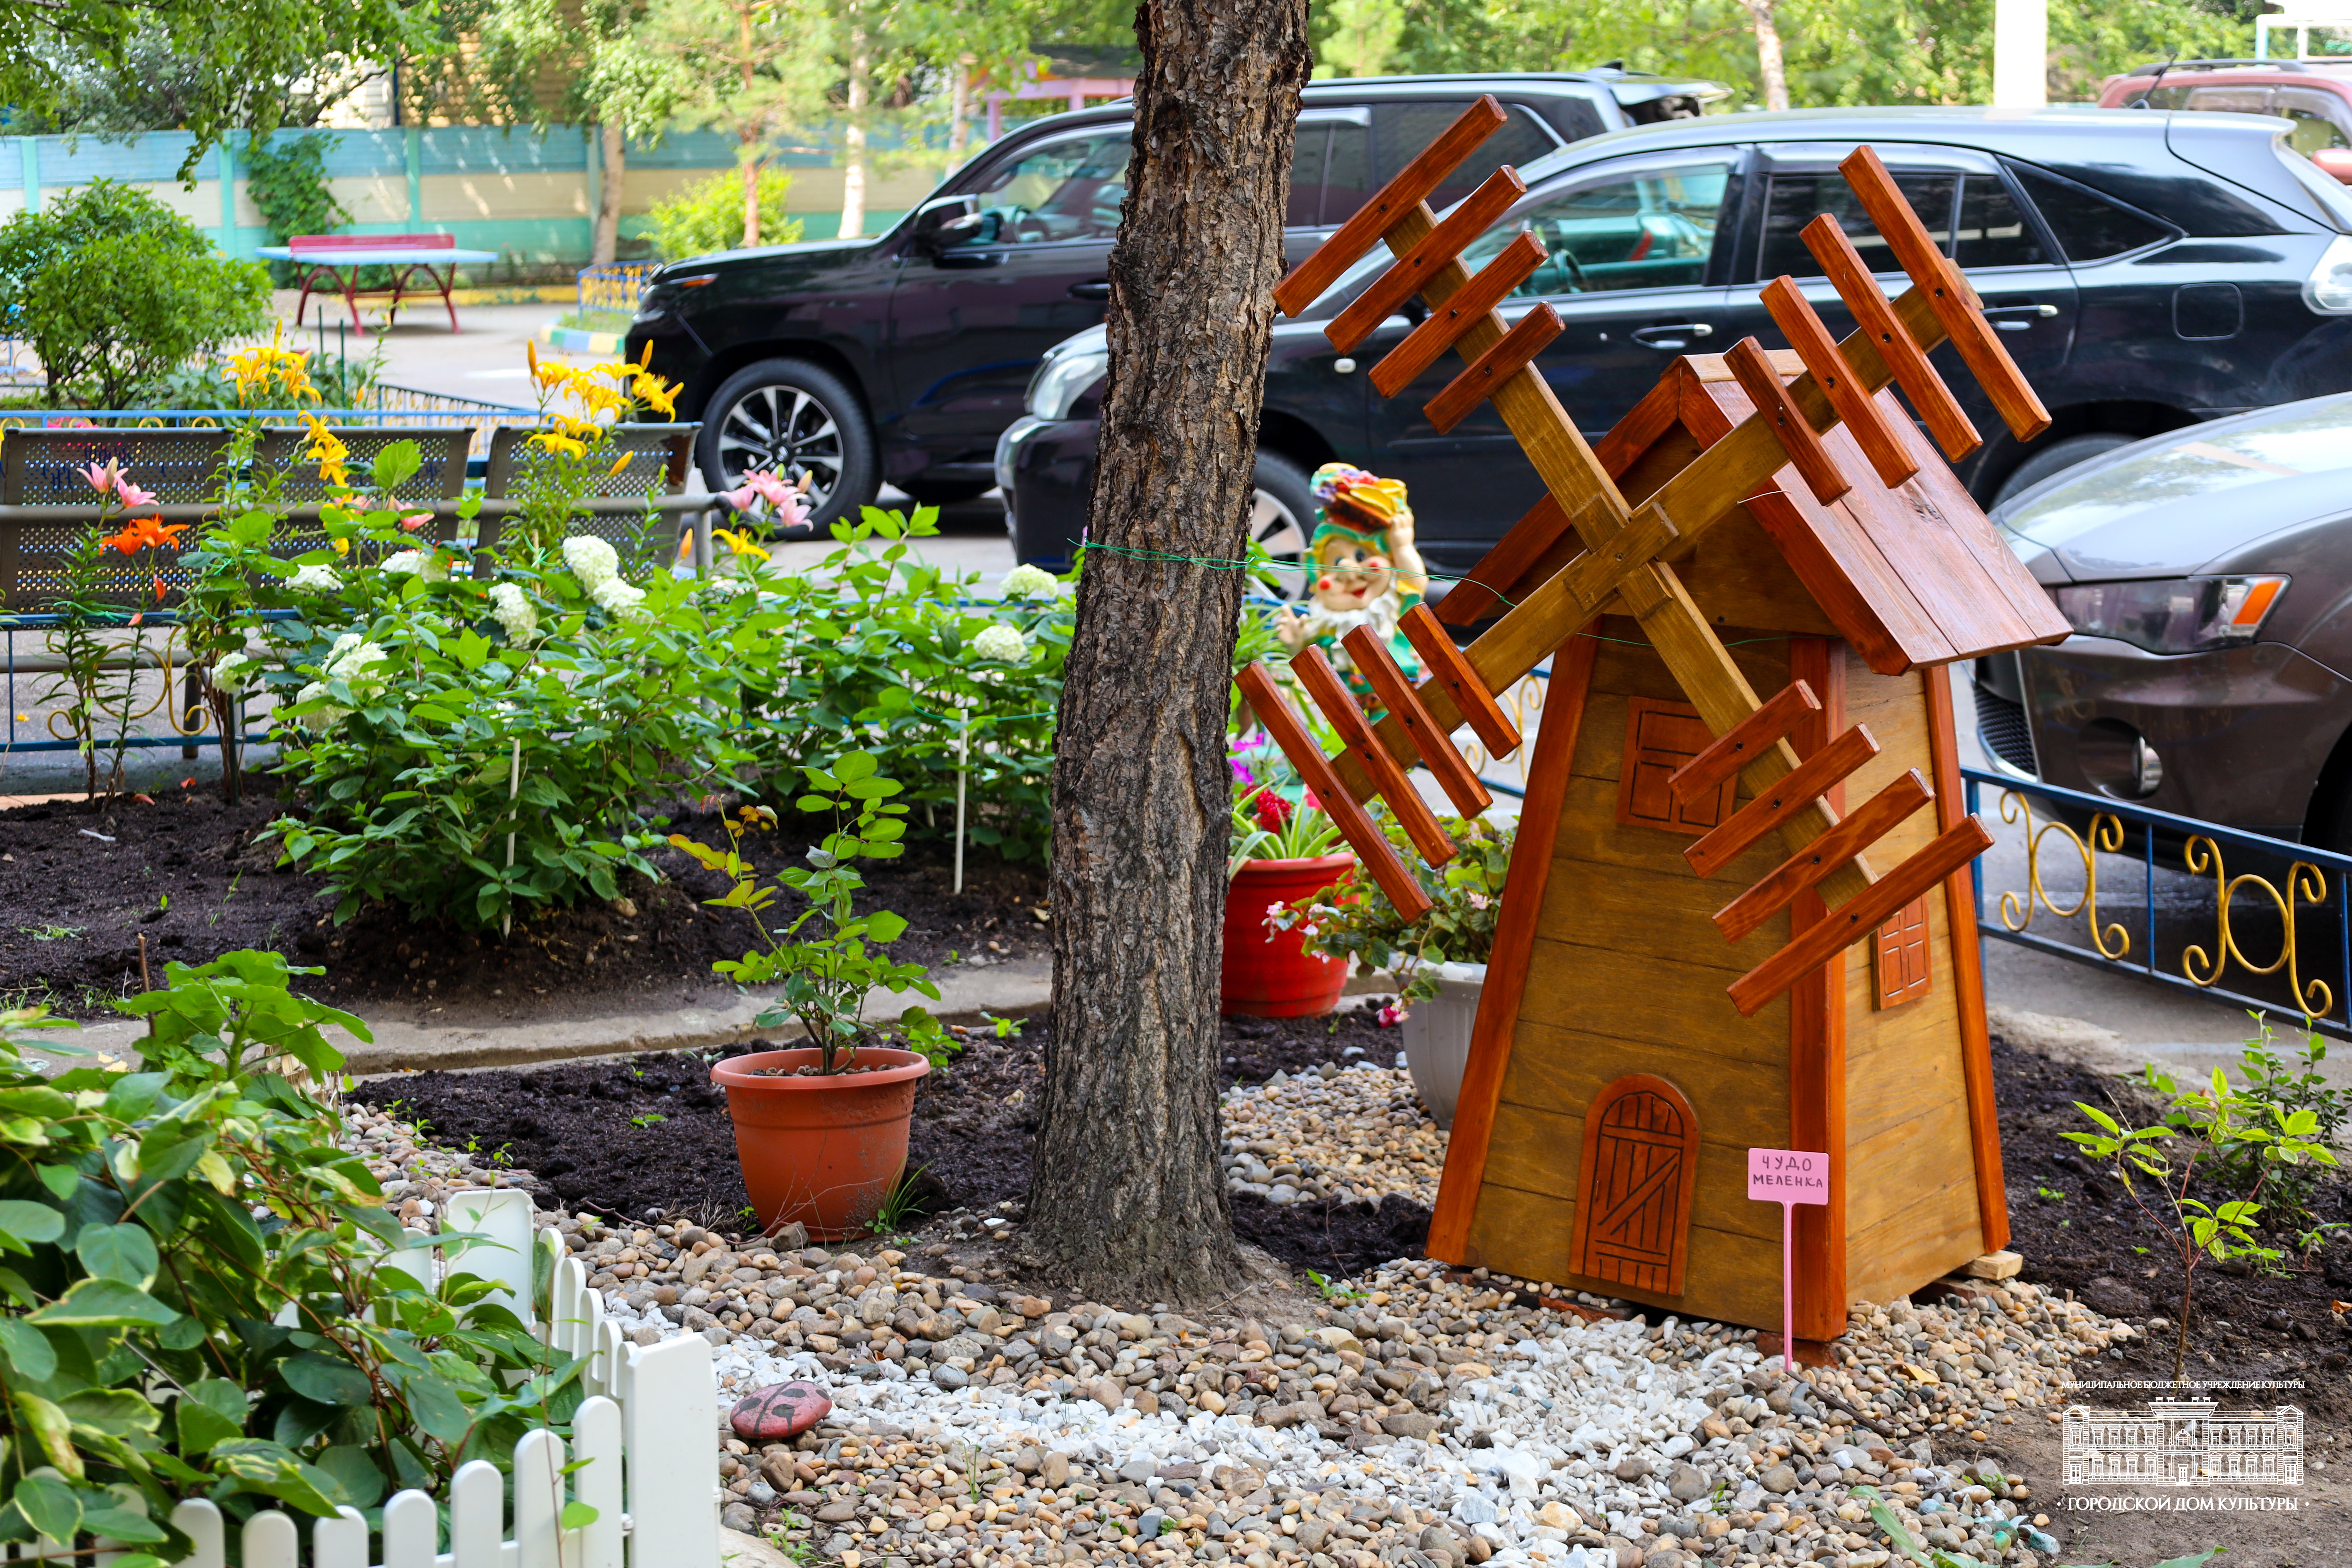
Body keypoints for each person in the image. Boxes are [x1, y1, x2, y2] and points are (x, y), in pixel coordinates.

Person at [1273, 462, 1429, 700]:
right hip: (1345, 709)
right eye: (1334, 563)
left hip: (1402, 698)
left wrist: (1402, 547)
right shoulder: (1325, 627)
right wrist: (1296, 645)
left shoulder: (1392, 609)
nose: (1348, 573)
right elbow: (1311, 665)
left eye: (1361, 556)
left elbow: (1415, 583)